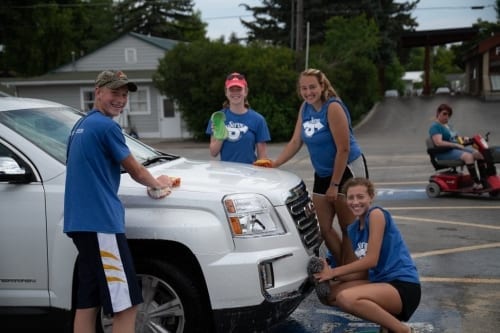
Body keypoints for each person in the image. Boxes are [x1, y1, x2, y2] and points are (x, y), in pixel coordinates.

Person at [64, 70, 173, 333]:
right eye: (115, 93)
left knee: (88, 301)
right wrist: (160, 184)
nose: (121, 100)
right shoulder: (107, 126)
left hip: (79, 224)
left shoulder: (80, 126)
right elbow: (136, 170)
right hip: (101, 225)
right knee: (126, 304)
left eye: (124, 95)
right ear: (98, 91)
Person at [272, 68, 368, 268]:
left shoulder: (333, 107)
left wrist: (334, 185)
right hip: (323, 172)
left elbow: (343, 149)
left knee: (347, 226)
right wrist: (275, 163)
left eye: (312, 87)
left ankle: (350, 272)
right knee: (323, 228)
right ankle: (345, 267)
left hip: (347, 169)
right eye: (304, 88)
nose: (308, 92)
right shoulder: (304, 109)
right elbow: (296, 141)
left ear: (322, 86)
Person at [313, 178, 421, 333]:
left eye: (360, 197)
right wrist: (329, 276)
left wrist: (335, 272)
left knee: (346, 298)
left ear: (371, 197)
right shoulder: (353, 229)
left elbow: (371, 260)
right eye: (351, 197)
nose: (355, 202)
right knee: (329, 295)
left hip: (402, 286)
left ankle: (402, 330)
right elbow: (362, 272)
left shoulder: (376, 215)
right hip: (380, 282)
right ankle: (387, 323)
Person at [206, 72, 271, 164]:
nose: (235, 93)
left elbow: (262, 156)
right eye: (232, 89)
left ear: (246, 92)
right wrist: (221, 135)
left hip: (250, 174)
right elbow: (213, 153)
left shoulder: (258, 120)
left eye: (239, 89)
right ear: (226, 92)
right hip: (225, 174)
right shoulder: (218, 117)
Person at [429, 103, 484, 190]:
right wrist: (455, 145)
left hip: (454, 149)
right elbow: (438, 143)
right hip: (444, 152)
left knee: (479, 154)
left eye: (448, 114)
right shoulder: (435, 127)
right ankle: (476, 183)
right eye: (444, 114)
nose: (446, 117)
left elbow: (455, 138)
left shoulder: (448, 126)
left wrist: (465, 139)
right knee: (468, 157)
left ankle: (485, 180)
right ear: (438, 113)